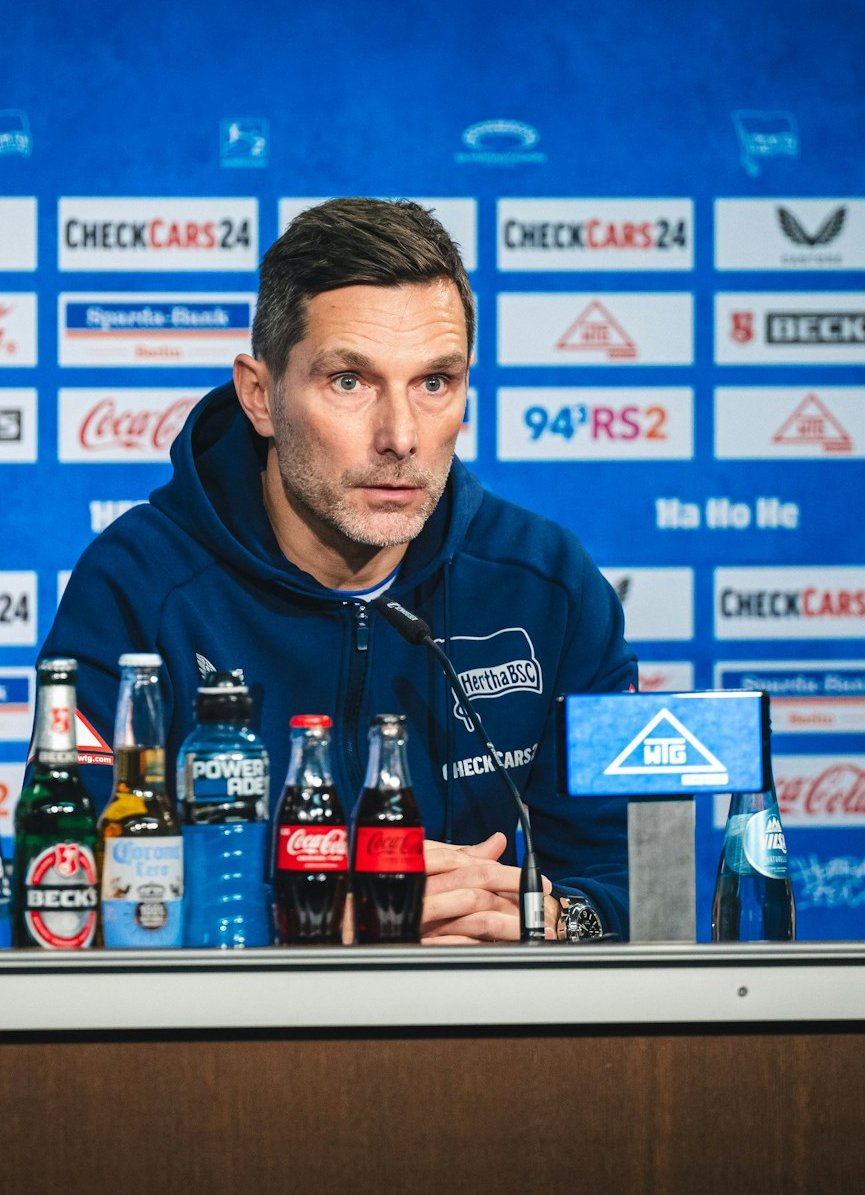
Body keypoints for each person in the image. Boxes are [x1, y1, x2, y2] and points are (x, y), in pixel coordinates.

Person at [43, 197, 634, 942]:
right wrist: (316, 921)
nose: (400, 437)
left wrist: (550, 919)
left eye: (435, 382)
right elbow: (72, 893)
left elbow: (636, 882)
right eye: (349, 381)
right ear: (260, 396)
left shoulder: (550, 587)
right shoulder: (135, 589)